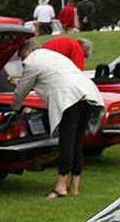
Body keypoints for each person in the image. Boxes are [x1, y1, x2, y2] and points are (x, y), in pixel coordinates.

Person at [11, 39, 103, 198]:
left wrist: (14, 108)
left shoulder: (31, 61)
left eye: (21, 57)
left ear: (28, 51)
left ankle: (60, 188)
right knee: (76, 142)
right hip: (89, 93)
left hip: (70, 97)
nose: (22, 61)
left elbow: (21, 90)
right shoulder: (54, 56)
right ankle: (74, 188)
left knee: (66, 142)